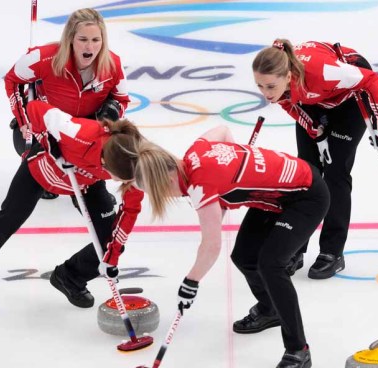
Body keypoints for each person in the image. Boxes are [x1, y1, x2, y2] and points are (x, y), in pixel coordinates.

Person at [102, 124, 329, 368]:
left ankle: (298, 350)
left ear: (169, 178)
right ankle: (270, 309)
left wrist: (191, 282)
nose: (169, 197)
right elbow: (221, 131)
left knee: (271, 265)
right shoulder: (194, 153)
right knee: (244, 256)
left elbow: (211, 246)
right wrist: (237, 166)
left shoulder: (200, 187)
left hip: (306, 196)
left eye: (161, 192)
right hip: (272, 198)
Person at [0, 100, 144, 311]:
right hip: (39, 172)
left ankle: (70, 276)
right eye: (116, 177)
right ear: (104, 162)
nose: (120, 183)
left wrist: (112, 254)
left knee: (110, 237)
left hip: (86, 183)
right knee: (3, 226)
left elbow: (130, 212)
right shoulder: (80, 133)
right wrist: (48, 140)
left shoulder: (136, 160)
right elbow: (34, 108)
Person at [252, 39, 378, 279]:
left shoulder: (325, 72)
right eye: (260, 86)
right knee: (305, 174)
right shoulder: (282, 87)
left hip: (349, 103)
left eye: (270, 87)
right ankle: (295, 246)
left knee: (335, 173)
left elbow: (370, 80)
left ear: (287, 75)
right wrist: (317, 133)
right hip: (313, 103)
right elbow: (292, 106)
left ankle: (332, 252)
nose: (266, 94)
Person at [5, 8, 130, 199]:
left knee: (110, 143)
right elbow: (13, 80)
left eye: (96, 40)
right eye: (83, 39)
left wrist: (111, 114)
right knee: (25, 143)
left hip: (85, 130)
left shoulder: (113, 64)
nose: (90, 47)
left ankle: (91, 185)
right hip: (50, 126)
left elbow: (121, 99)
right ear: (71, 38)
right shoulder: (44, 58)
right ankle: (45, 178)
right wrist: (23, 119)